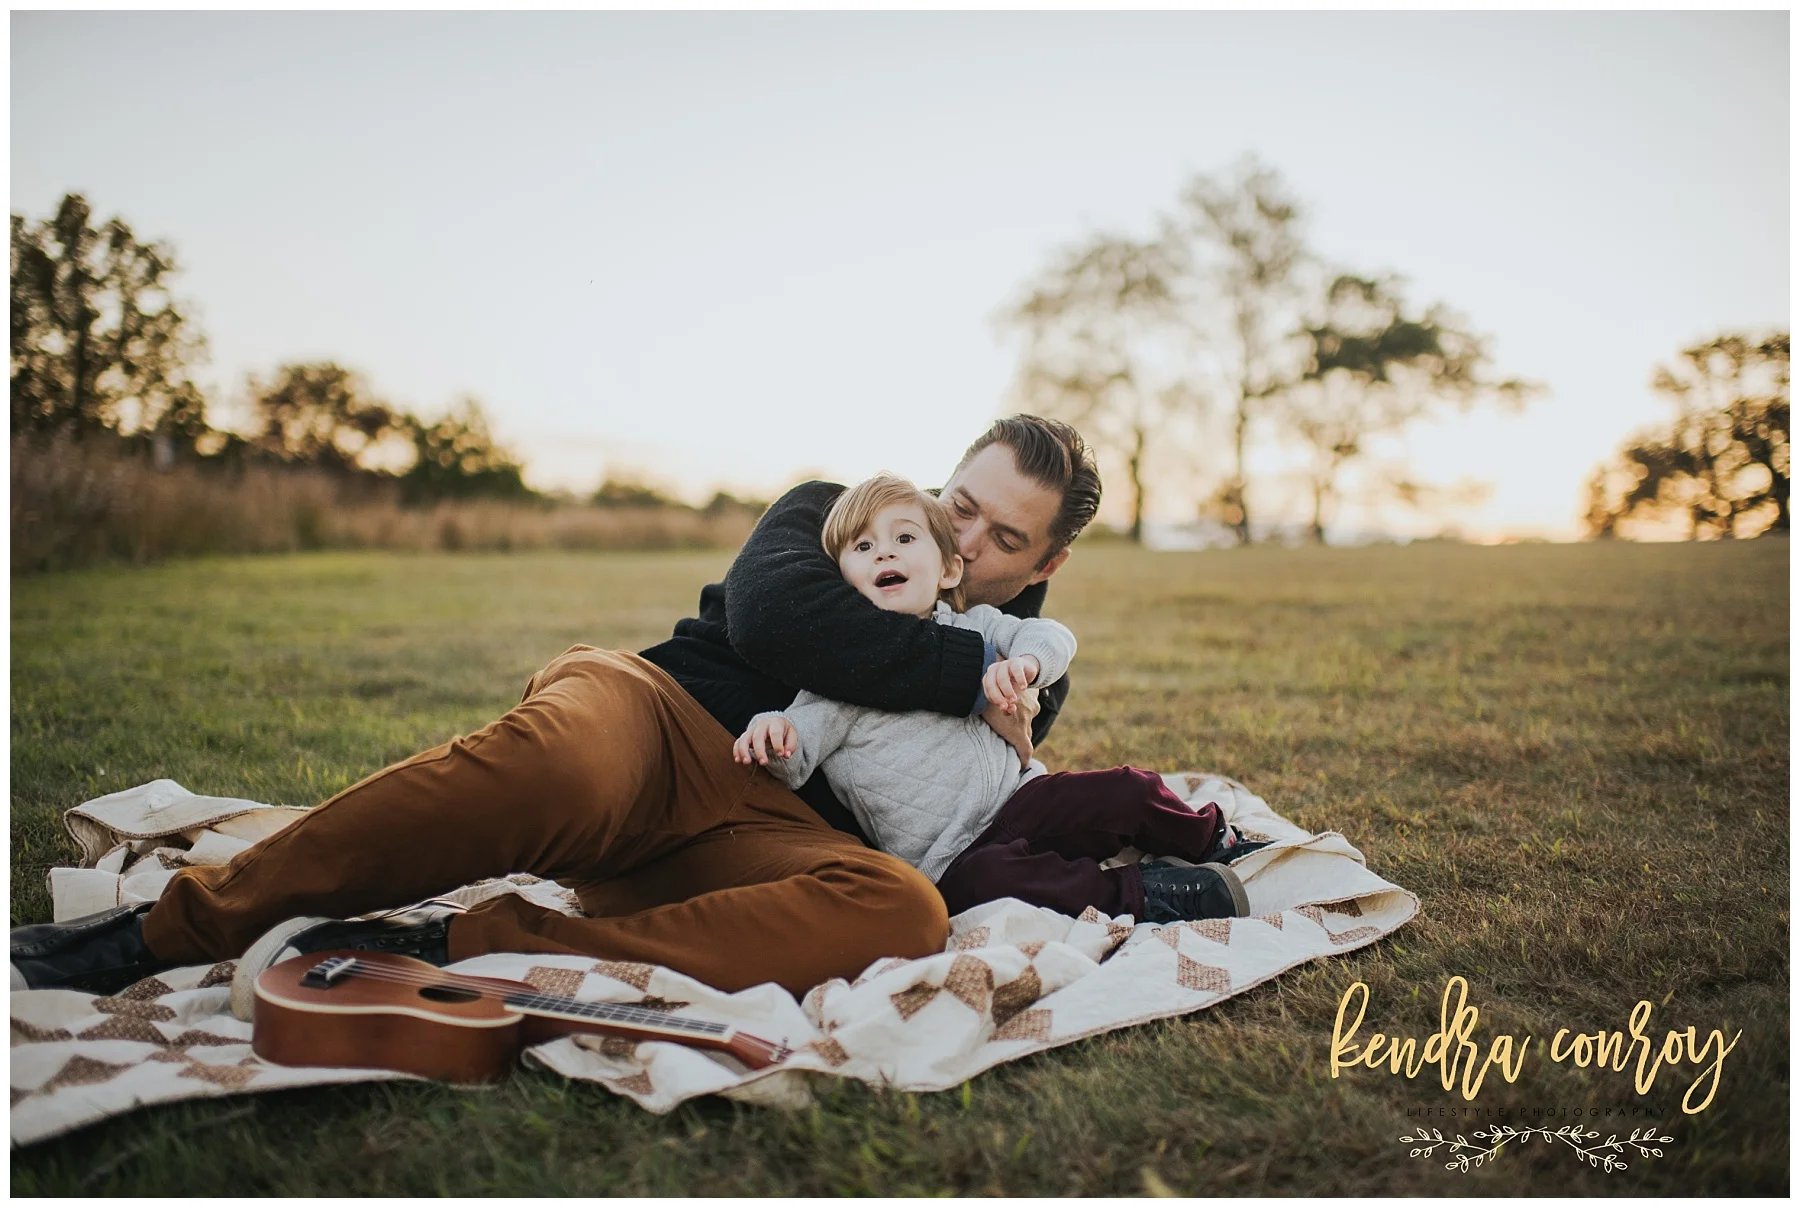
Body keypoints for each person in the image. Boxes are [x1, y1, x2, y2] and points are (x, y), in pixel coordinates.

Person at [10, 416, 1103, 1002]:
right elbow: (780, 625)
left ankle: (462, 941)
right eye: (961, 503)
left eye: (1004, 538)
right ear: (943, 473)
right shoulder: (843, 514)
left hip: (766, 833)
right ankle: (163, 929)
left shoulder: (1024, 666)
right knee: (565, 770)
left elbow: (978, 817)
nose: (962, 542)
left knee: (899, 908)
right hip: (658, 716)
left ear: (1047, 560)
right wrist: (969, 680)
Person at [735, 473, 1259, 925]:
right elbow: (797, 749)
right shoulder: (836, 681)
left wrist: (1025, 665)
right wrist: (774, 732)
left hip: (1024, 799)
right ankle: (1147, 894)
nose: (885, 552)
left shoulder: (977, 626)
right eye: (863, 548)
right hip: (952, 858)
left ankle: (1211, 840)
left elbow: (1054, 637)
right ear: (843, 578)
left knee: (1126, 789)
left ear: (947, 570)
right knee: (1005, 884)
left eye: (903, 538)